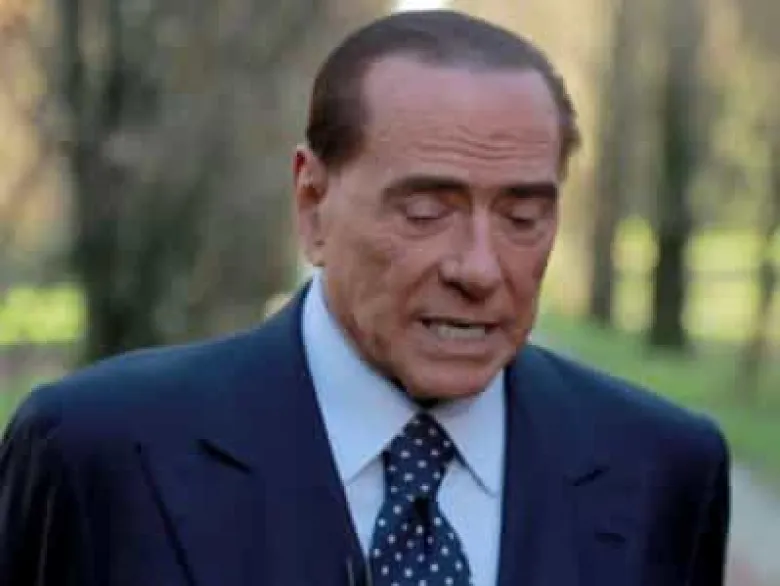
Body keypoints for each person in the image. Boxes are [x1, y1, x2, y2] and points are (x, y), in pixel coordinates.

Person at [0, 10, 729, 586]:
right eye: (426, 211)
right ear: (313, 203)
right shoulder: (98, 455)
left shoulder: (666, 469)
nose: (480, 269)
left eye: (522, 217)